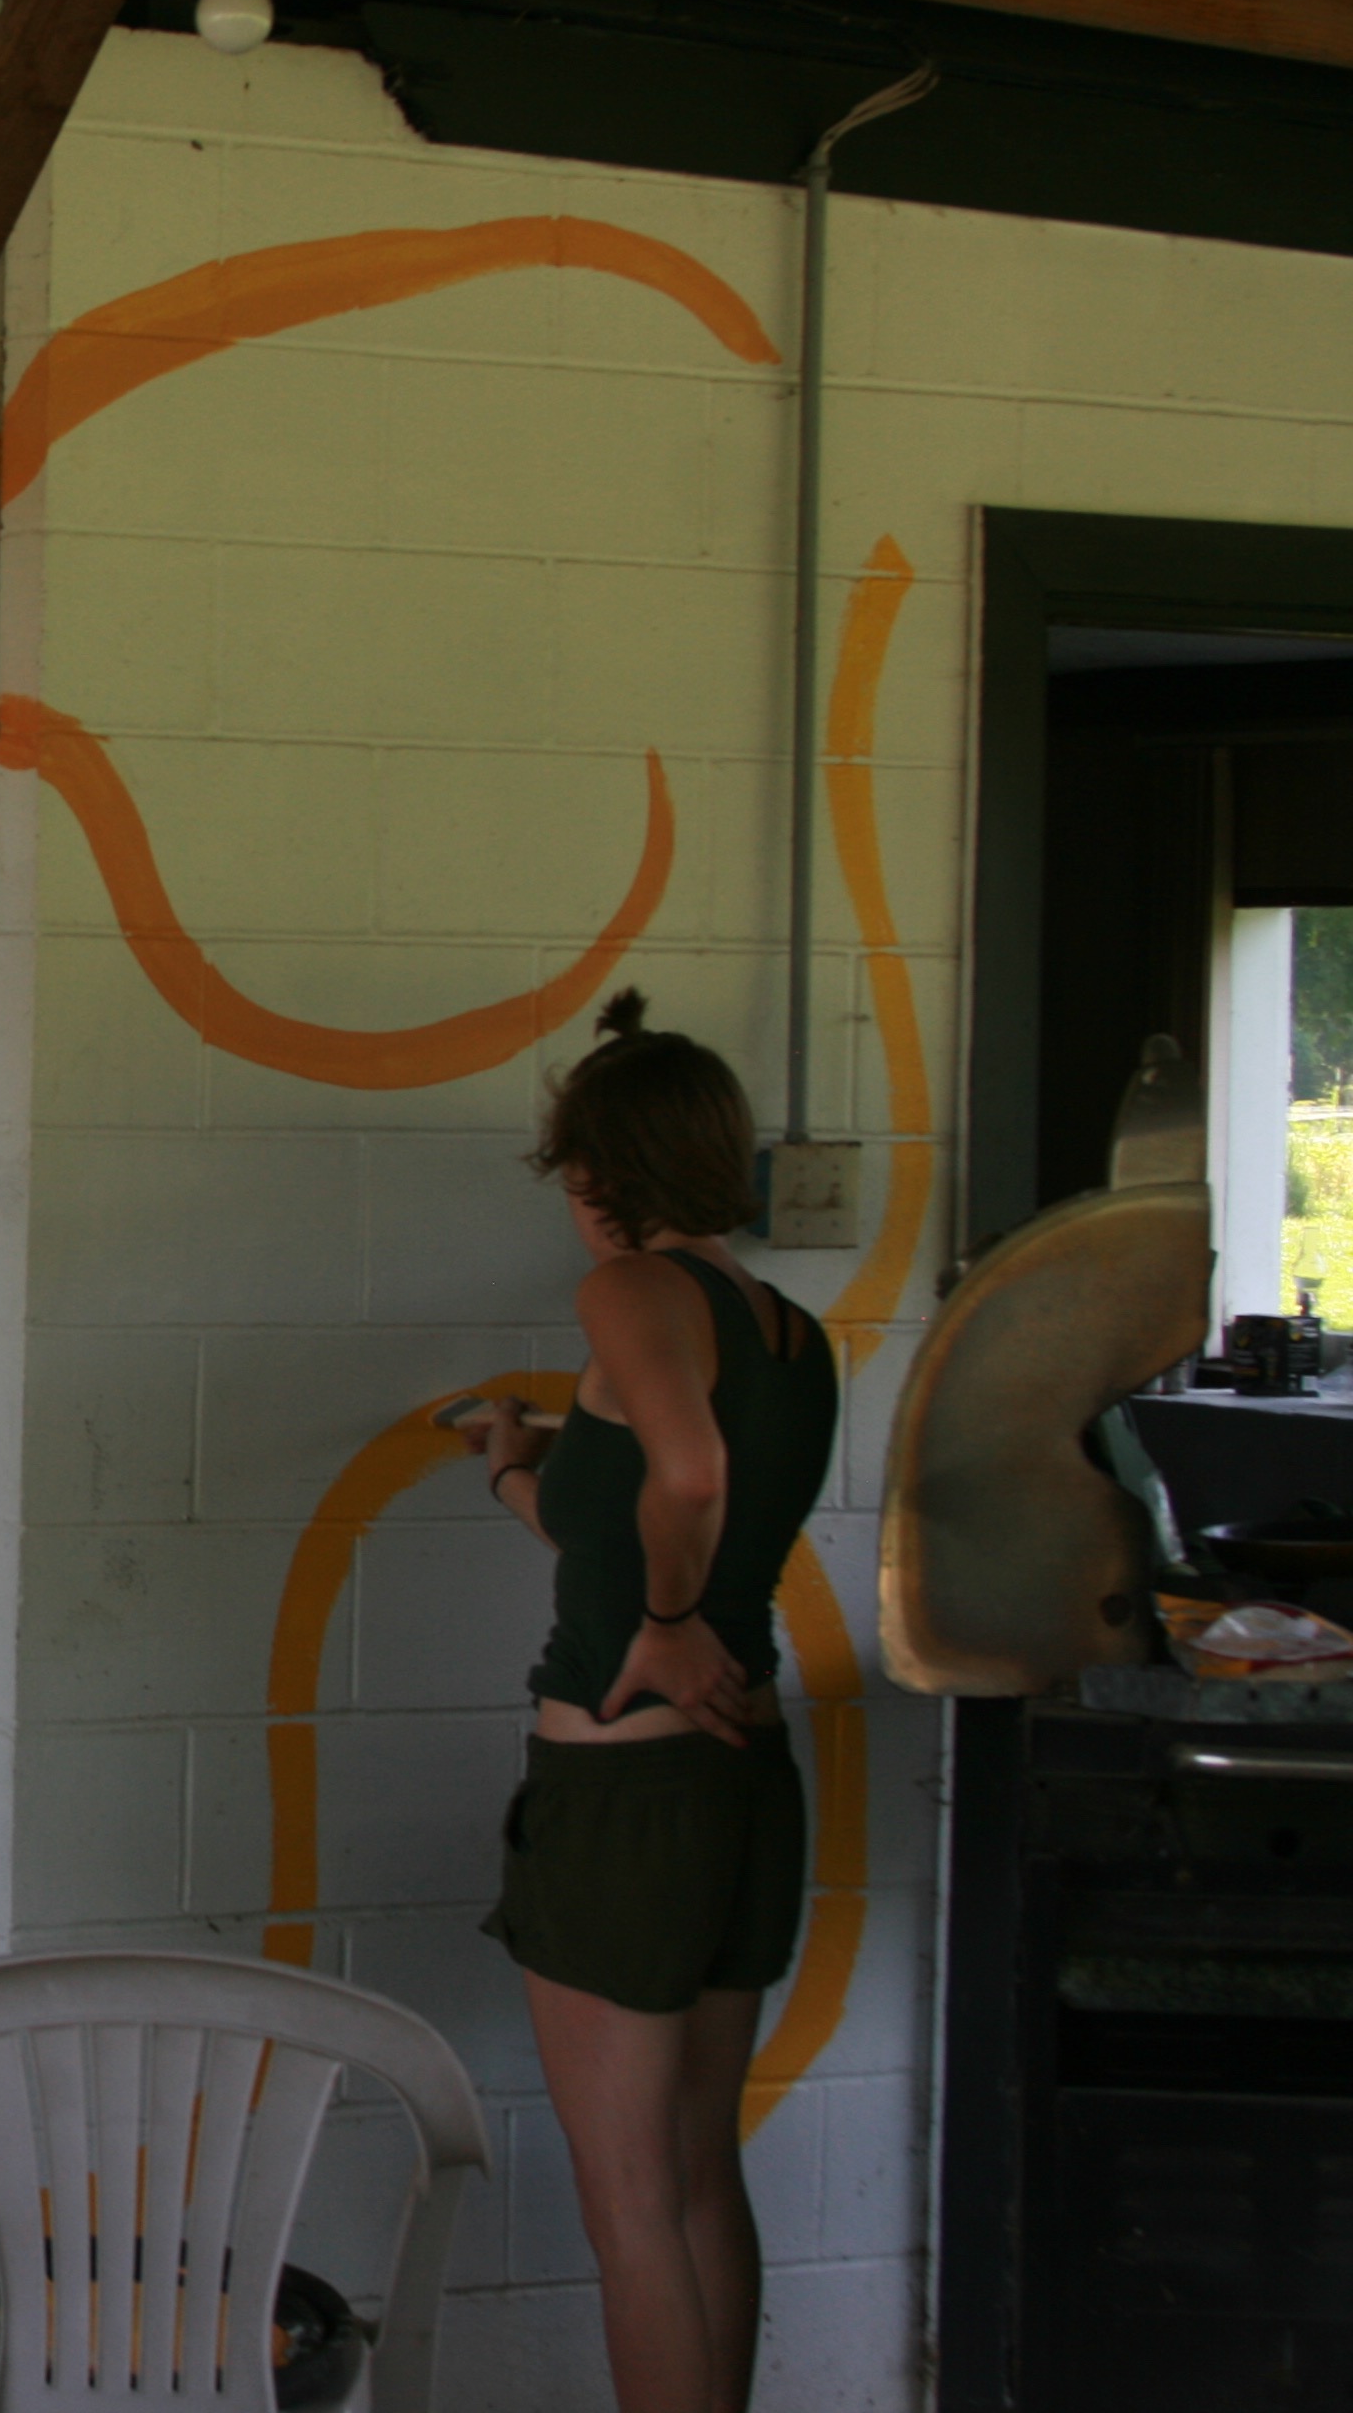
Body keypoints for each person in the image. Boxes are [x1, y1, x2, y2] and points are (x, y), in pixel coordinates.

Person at [462, 990, 838, 2413]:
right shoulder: (788, 1332)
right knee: (695, 2176)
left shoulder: (627, 1296)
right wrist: (521, 1470)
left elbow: (688, 1479)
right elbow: (638, 1515)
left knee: (629, 2210)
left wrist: (668, 1629)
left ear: (598, 1170)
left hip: (625, 1795)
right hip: (743, 1781)